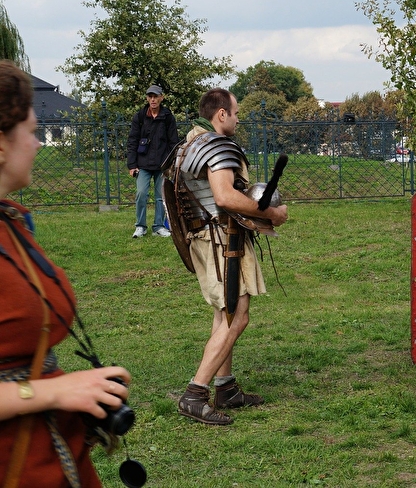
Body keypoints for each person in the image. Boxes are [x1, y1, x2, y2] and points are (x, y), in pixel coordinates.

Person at [0, 60, 131, 487]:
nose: (38, 144)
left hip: (52, 458)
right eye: (33, 131)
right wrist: (53, 391)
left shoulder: (12, 222)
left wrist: (77, 388)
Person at [169, 88, 288, 425]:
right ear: (221, 114)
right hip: (222, 238)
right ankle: (195, 393)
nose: (238, 118)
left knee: (225, 312)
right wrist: (271, 214)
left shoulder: (191, 142)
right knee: (237, 317)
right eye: (235, 113)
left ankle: (226, 388)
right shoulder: (218, 145)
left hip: (207, 236)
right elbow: (224, 197)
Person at [127, 84, 180, 238]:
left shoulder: (168, 117)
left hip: (162, 165)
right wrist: (132, 165)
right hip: (143, 164)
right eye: (150, 96)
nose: (153, 99)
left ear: (161, 98)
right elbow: (132, 141)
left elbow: (173, 143)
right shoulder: (140, 116)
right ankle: (140, 226)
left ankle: (158, 226)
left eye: (155, 96)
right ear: (147, 98)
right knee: (141, 193)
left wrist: (172, 164)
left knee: (161, 196)